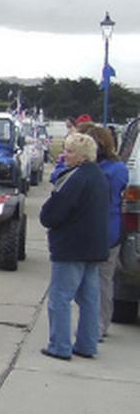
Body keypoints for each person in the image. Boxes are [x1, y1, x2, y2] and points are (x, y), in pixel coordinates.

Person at [39, 132, 109, 360]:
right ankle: (87, 345)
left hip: (71, 246)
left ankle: (59, 345)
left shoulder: (74, 178)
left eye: (69, 151)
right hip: (94, 245)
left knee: (60, 297)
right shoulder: (98, 176)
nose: (64, 155)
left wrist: (46, 217)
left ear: (80, 156)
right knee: (89, 298)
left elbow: (54, 211)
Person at [82, 124, 127, 341]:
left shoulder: (115, 169)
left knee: (102, 280)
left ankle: (99, 325)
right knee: (89, 282)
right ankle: (94, 323)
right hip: (88, 229)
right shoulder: (89, 167)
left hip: (108, 230)